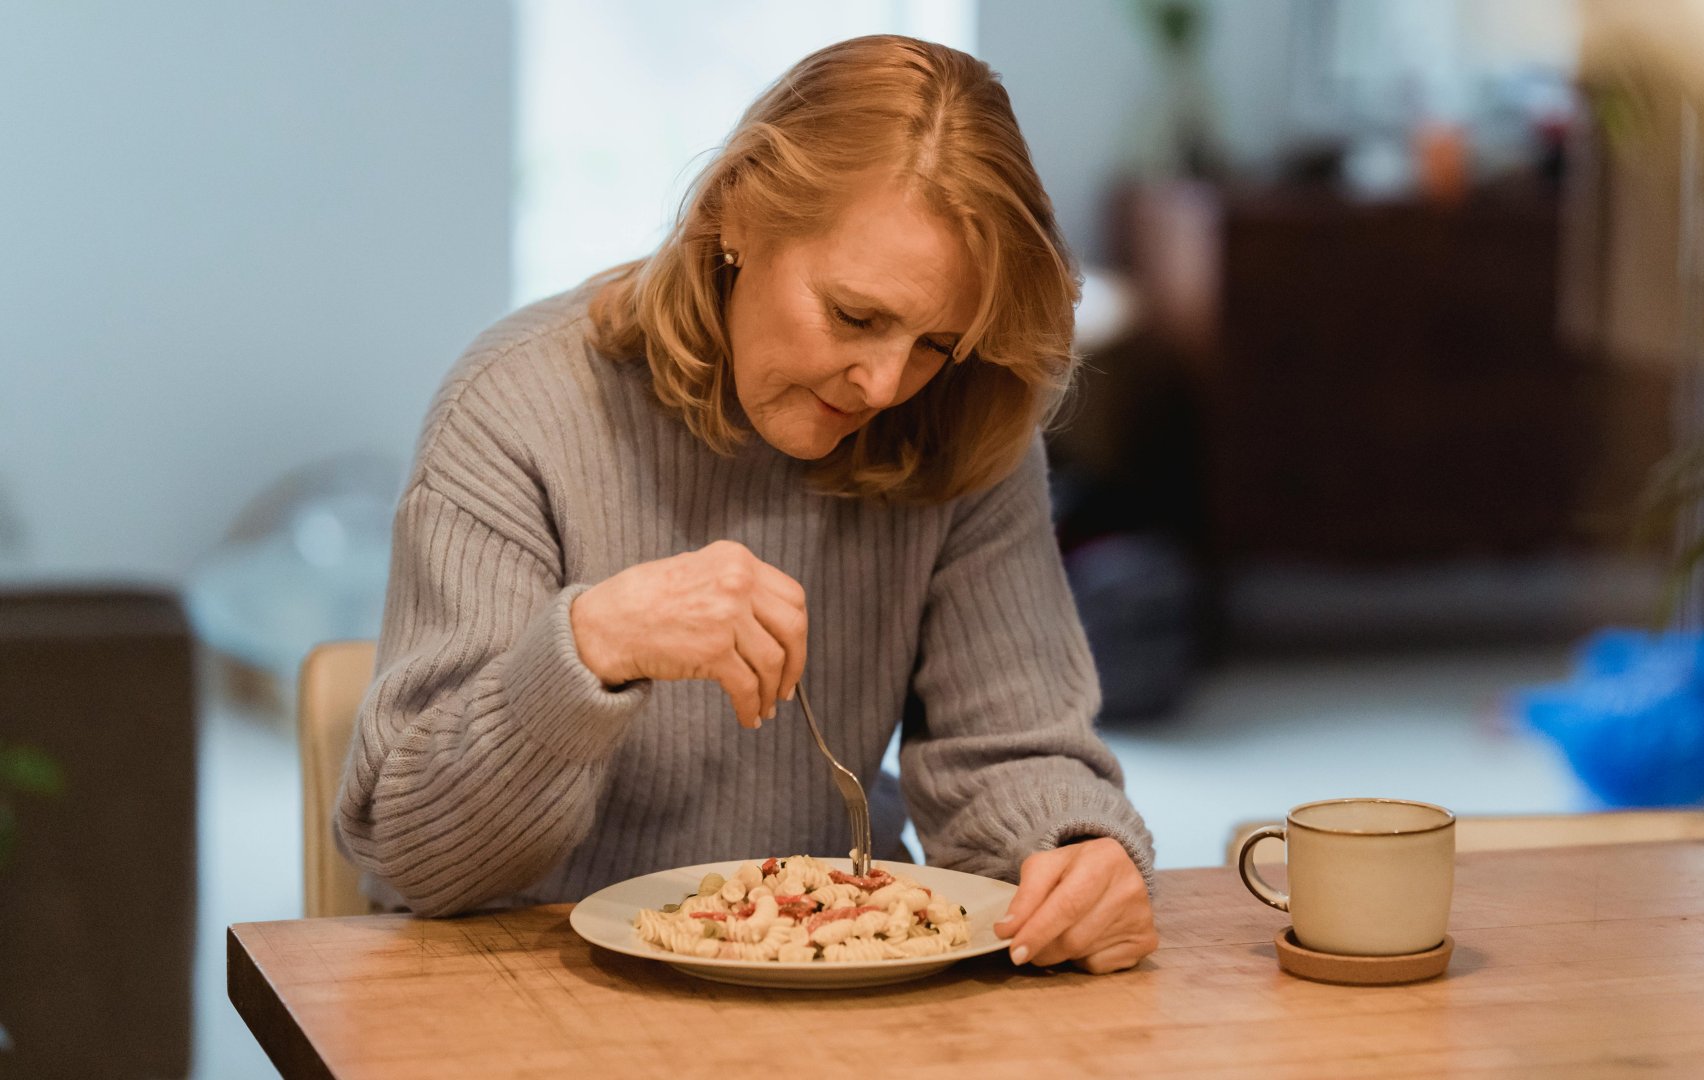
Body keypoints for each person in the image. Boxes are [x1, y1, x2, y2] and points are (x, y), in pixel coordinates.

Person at [336, 34, 1156, 974]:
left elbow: (1009, 751)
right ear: (736, 215)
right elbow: (415, 857)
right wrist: (590, 647)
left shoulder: (960, 421)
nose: (887, 384)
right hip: (527, 983)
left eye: (936, 342)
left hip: (830, 985)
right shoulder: (515, 409)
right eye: (855, 316)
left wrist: (1068, 857)